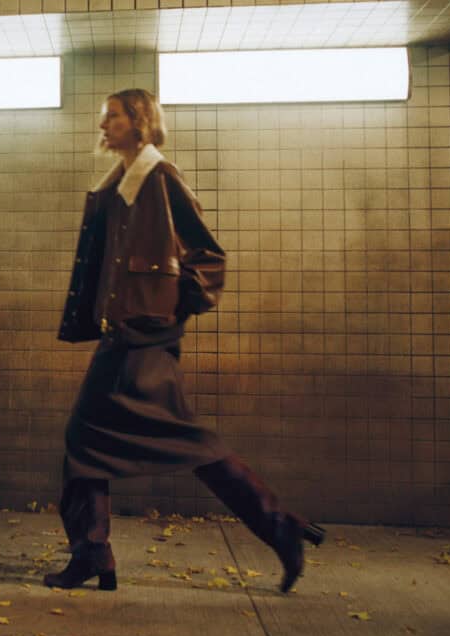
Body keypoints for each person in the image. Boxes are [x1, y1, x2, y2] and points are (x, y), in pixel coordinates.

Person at [46, 89, 324, 594]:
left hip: (141, 337)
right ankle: (278, 528)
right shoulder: (120, 185)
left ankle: (94, 554)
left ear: (140, 122)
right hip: (127, 336)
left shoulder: (160, 177)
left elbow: (208, 258)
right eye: (103, 117)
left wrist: (167, 311)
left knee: (93, 441)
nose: (103, 125)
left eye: (113, 116)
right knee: (171, 441)